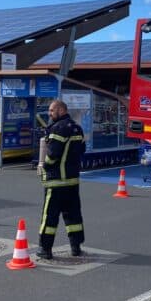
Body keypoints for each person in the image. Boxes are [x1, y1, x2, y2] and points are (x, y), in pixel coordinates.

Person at [37, 99, 86, 259]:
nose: (50, 113)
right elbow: (82, 150)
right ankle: (76, 247)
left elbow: (53, 155)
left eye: (52, 110)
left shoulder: (58, 128)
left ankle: (45, 249)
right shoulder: (77, 128)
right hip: (72, 181)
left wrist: (44, 165)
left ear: (61, 110)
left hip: (56, 181)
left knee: (49, 216)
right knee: (73, 215)